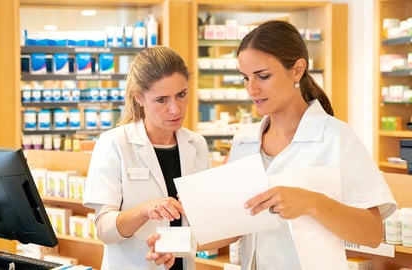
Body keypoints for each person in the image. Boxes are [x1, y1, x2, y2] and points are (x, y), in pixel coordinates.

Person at [146, 20, 397, 269]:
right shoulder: (245, 141)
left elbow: (372, 232)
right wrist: (175, 246)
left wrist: (311, 202)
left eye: (263, 76)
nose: (252, 89)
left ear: (297, 70)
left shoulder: (336, 138)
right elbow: (236, 225)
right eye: (245, 78)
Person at [83, 46, 210, 270]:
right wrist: (145, 211)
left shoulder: (196, 144)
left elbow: (202, 224)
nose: (175, 109)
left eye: (181, 95)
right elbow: (104, 230)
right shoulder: (114, 143)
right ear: (139, 98)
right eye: (162, 100)